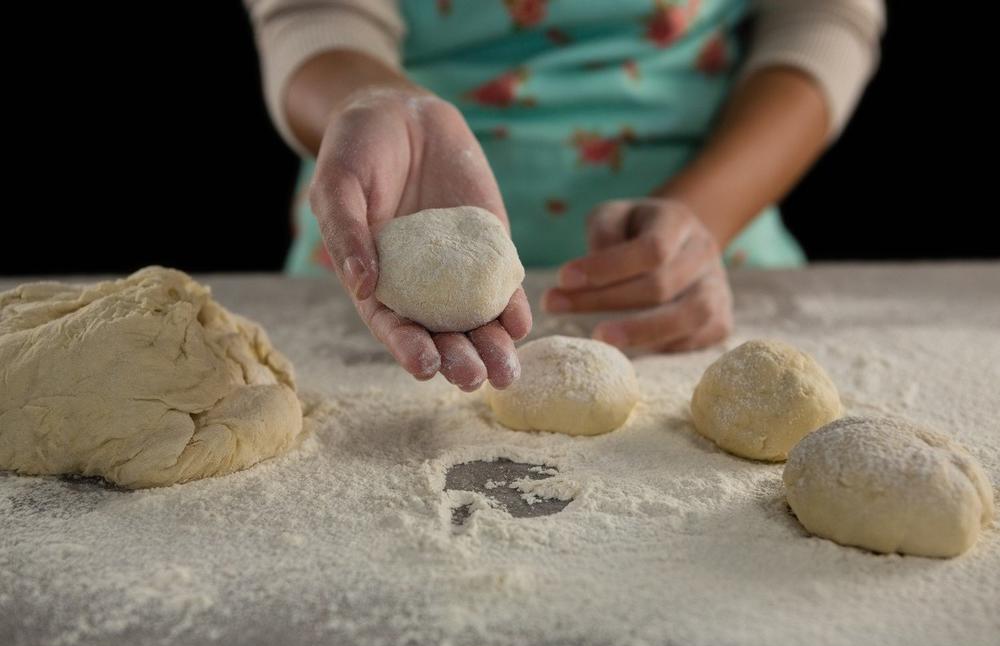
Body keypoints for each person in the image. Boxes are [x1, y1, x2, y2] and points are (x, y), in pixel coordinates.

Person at [243, 0, 884, 392]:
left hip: (702, 271)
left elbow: (822, 16)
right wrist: (372, 101)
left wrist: (705, 215)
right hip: (374, 246)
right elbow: (312, 13)